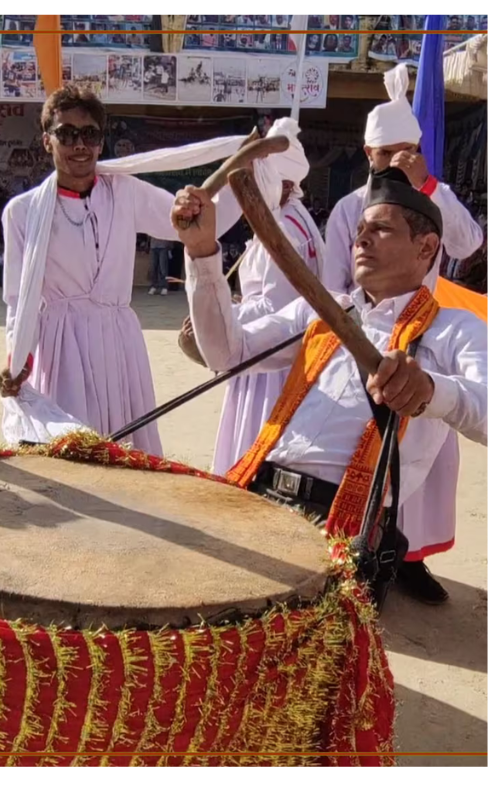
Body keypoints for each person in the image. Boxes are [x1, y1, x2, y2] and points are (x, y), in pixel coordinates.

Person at [173, 167, 486, 605]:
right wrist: (203, 252)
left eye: (380, 229)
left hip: (341, 526)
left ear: (427, 247)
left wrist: (432, 390)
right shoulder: (322, 309)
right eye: (360, 229)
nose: (361, 239)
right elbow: (225, 352)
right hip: (260, 493)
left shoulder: (453, 330)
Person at [0, 85, 264, 454]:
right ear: (47, 141)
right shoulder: (22, 211)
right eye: (67, 134)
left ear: (100, 141)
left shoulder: (124, 191)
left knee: (125, 448)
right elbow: (17, 299)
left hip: (117, 339)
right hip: (62, 344)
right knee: (71, 450)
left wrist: (244, 165)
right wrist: (17, 361)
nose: (79, 144)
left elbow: (197, 226)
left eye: (89, 134)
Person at [320, 63, 485, 601]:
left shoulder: (435, 196)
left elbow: (467, 244)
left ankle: (408, 557)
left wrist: (427, 186)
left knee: (427, 463)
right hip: (365, 343)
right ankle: (366, 547)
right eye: (383, 153)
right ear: (367, 156)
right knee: (366, 458)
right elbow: (332, 287)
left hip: (430, 343)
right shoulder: (350, 209)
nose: (393, 162)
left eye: (404, 151)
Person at [211, 118, 338, 478]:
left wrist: (229, 314)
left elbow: (276, 308)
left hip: (271, 356)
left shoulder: (284, 230)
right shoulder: (294, 219)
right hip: (277, 348)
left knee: (257, 442)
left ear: (282, 182)